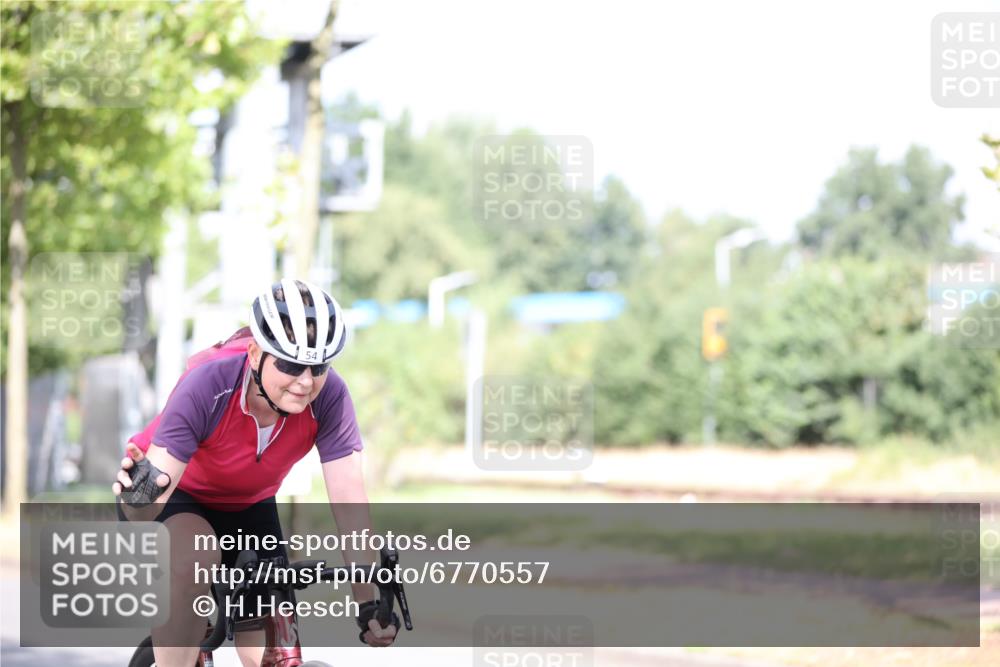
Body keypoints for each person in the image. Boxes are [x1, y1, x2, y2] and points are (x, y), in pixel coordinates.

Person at [112, 278, 396, 667]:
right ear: (254, 353)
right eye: (290, 364)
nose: (305, 381)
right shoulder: (208, 385)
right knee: (197, 553)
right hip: (174, 495)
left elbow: (349, 503)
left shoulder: (329, 397)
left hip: (248, 505)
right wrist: (135, 501)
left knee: (270, 651)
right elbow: (149, 499)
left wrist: (369, 602)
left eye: (319, 366)